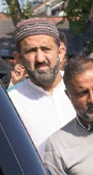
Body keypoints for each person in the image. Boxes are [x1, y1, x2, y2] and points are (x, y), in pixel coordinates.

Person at [6, 18, 75, 155]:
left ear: (60, 52)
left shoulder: (83, 87)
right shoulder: (10, 103)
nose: (40, 59)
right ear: (18, 58)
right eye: (31, 51)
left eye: (46, 49)